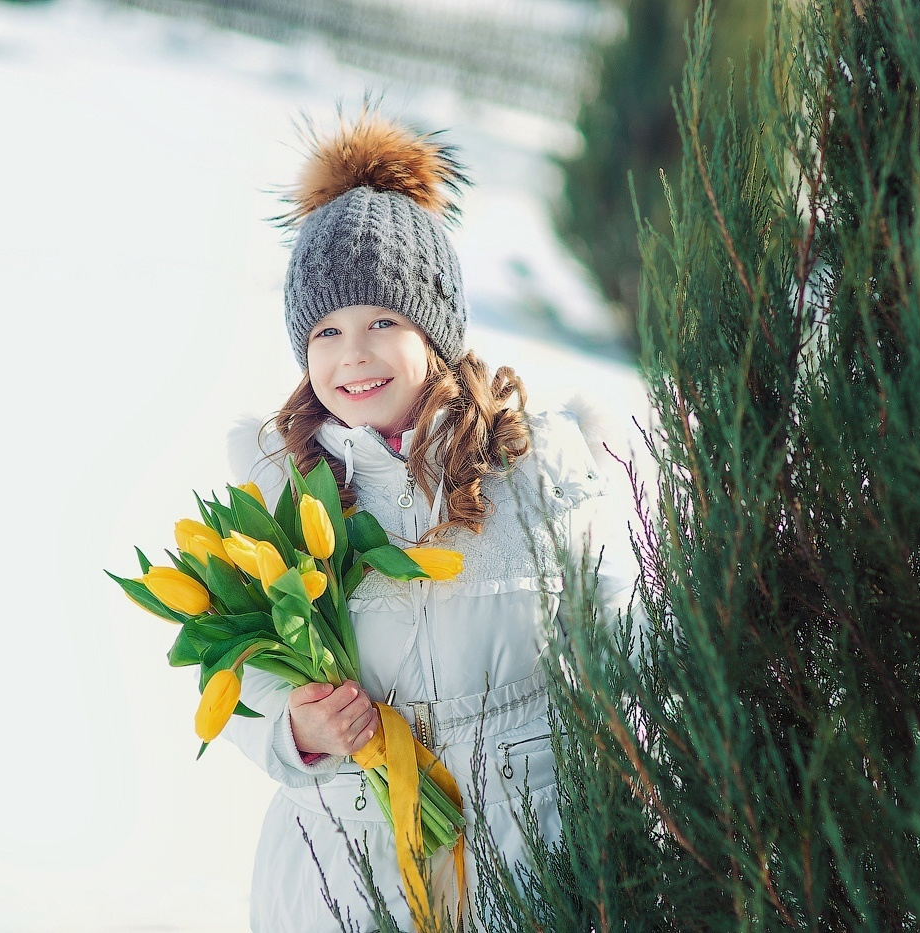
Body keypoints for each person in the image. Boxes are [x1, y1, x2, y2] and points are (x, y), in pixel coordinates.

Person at [219, 111, 642, 932]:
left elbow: (618, 627)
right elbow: (236, 670)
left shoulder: (533, 464)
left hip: (523, 843)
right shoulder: (281, 490)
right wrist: (294, 726)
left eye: (383, 321)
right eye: (327, 331)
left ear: (436, 328)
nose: (354, 353)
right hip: (345, 865)